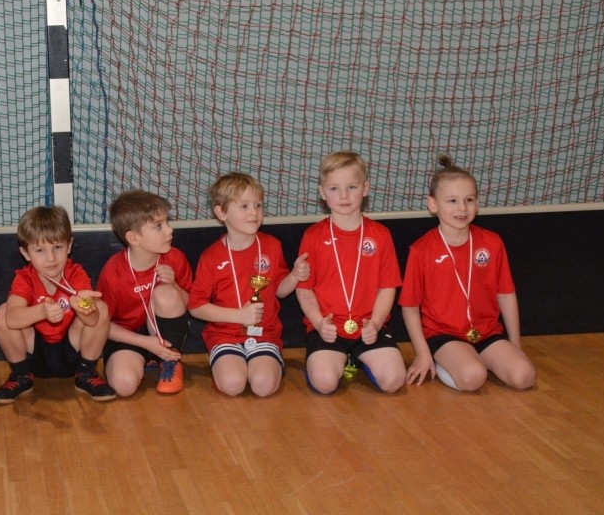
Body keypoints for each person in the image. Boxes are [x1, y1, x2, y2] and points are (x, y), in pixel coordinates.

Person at [400, 155, 536, 391]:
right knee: (473, 377)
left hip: (487, 333)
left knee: (524, 377)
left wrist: (515, 345)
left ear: (477, 203)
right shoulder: (421, 250)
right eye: (452, 201)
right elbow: (410, 307)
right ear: (433, 204)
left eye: (469, 200)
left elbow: (506, 294)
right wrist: (422, 353)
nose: (462, 208)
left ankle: (477, 359)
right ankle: (445, 361)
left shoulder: (492, 243)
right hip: (444, 335)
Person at [188, 173, 309, 397]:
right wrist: (239, 316)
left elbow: (280, 291)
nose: (254, 212)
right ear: (221, 213)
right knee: (233, 384)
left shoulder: (272, 246)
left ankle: (265, 363)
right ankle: (224, 363)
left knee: (263, 386)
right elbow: (196, 306)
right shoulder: (211, 257)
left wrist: (295, 275)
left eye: (258, 205)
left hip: (265, 333)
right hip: (225, 335)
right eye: (244, 206)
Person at [295, 152, 406, 394]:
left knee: (395, 380)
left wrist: (375, 324)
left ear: (365, 188)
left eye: (352, 187)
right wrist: (318, 323)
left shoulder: (381, 235)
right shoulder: (313, 236)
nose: (343, 196)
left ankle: (358, 359)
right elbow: (304, 290)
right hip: (327, 328)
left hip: (368, 326)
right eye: (334, 188)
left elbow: (387, 288)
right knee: (325, 383)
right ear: (323, 193)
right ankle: (332, 362)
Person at [0, 205, 116, 403]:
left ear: (69, 245)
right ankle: (21, 375)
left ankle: (85, 373)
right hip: (35, 356)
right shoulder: (25, 278)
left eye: (57, 247)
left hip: (72, 354)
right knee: (2, 312)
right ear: (26, 253)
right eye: (40, 250)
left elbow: (93, 321)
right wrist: (42, 311)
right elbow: (12, 319)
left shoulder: (75, 274)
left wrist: (83, 308)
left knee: (100, 307)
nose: (51, 258)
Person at [97, 190, 193, 396]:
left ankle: (170, 360)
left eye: (167, 222)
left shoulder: (175, 258)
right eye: (159, 226)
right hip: (128, 336)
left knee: (166, 293)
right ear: (133, 237)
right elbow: (102, 324)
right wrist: (145, 343)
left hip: (164, 333)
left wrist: (175, 286)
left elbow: (190, 304)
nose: (169, 230)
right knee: (124, 385)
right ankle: (140, 359)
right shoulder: (113, 272)